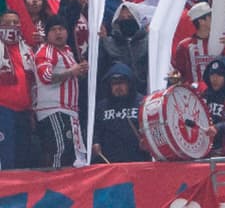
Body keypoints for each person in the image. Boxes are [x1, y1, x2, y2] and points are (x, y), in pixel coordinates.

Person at [34, 16, 88, 168]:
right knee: (60, 150)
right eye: (53, 30)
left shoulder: (67, 51)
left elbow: (70, 74)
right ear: (46, 34)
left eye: (61, 29)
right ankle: (54, 186)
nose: (58, 33)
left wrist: (80, 71)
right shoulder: (46, 50)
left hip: (69, 111)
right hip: (54, 110)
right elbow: (46, 77)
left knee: (73, 154)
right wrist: (72, 71)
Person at [92, 63, 148, 164]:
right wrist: (96, 143)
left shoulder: (143, 103)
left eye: (122, 83)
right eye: (114, 83)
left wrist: (147, 142)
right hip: (109, 164)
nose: (118, 87)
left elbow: (149, 128)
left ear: (129, 84)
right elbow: (96, 129)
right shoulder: (101, 106)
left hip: (137, 162)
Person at [0, 10, 36, 170]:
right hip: (3, 109)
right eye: (8, 23)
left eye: (16, 22)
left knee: (24, 154)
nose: (13, 26)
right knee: (6, 155)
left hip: (25, 111)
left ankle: (21, 193)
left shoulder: (28, 49)